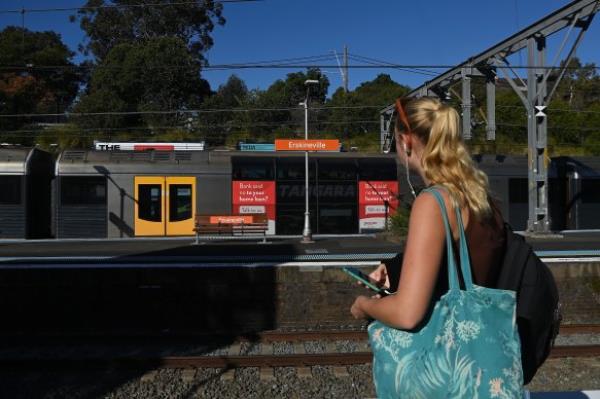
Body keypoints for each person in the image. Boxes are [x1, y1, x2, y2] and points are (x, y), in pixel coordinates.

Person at [350, 96, 514, 394]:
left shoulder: (433, 202)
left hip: (446, 376)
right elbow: (465, 268)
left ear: (406, 141)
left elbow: (408, 313)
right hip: (481, 369)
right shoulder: (481, 198)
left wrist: (366, 306)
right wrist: (397, 268)